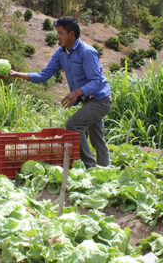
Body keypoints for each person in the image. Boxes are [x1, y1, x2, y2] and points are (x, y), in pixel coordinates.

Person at [9, 17, 112, 168]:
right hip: (89, 100)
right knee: (96, 137)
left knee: (73, 125)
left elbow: (96, 81)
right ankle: (105, 168)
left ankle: (90, 167)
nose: (57, 36)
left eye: (60, 33)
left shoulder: (87, 52)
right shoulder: (61, 53)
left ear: (71, 34)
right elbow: (44, 75)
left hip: (100, 99)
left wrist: (76, 92)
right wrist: (18, 74)